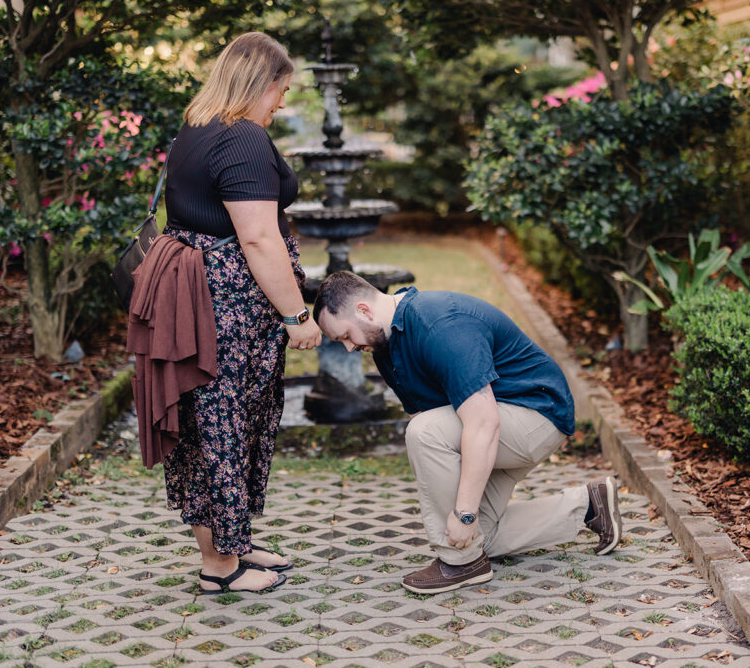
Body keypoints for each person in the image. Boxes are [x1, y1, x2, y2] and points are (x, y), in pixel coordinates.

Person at [313, 271, 622, 594]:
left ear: (364, 311)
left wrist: (463, 513)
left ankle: (461, 564)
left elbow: (481, 422)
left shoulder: (440, 325)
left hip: (536, 417)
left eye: (345, 336)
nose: (349, 348)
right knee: (477, 537)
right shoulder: (386, 347)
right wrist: (466, 520)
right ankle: (589, 505)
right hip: (496, 425)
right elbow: (433, 413)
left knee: (424, 435)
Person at [161, 32, 321, 595]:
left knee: (213, 423)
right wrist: (298, 316)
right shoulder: (244, 139)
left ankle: (235, 542)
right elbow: (257, 240)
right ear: (262, 84)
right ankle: (220, 569)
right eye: (282, 90)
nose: (283, 103)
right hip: (226, 307)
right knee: (221, 425)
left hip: (198, 299)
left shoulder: (198, 128)